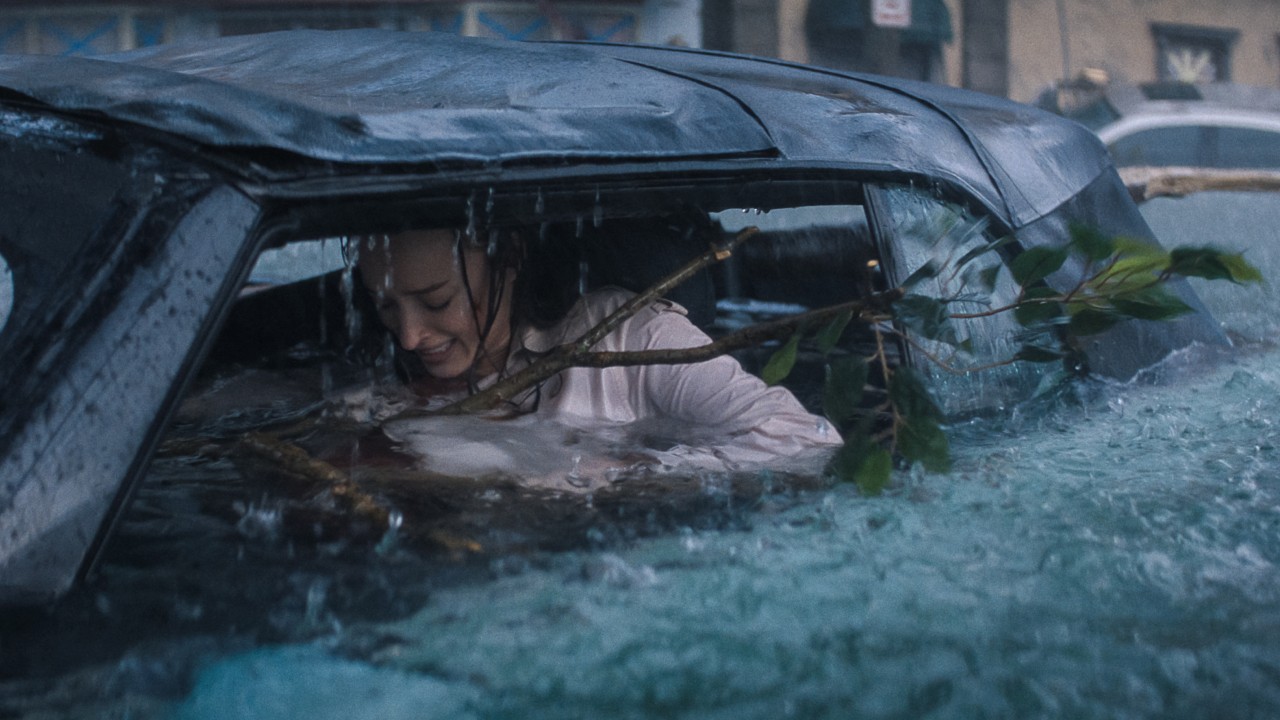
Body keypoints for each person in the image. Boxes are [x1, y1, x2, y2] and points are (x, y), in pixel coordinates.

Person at [354, 225, 841, 481]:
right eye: (387, 308)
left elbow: (802, 439)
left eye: (437, 301)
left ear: (510, 256)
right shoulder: (387, 384)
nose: (409, 338)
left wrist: (625, 475)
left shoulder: (629, 337)